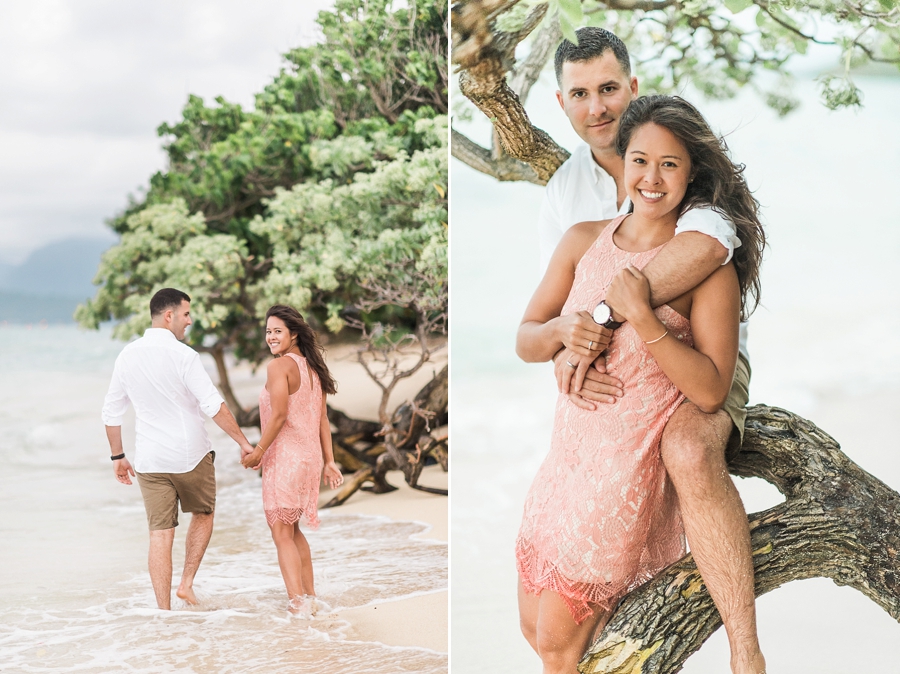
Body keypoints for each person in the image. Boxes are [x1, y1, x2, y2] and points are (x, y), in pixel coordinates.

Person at [536, 28, 765, 674]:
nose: (597, 107)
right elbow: (554, 310)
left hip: (697, 353)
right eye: (580, 94)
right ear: (562, 103)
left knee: (687, 450)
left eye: (609, 89)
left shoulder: (684, 186)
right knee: (556, 627)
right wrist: (563, 349)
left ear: (632, 89)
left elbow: (704, 253)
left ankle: (745, 650)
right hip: (613, 381)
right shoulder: (567, 193)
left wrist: (609, 318)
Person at [102, 288, 255, 610]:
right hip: (190, 455)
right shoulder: (184, 356)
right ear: (169, 315)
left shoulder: (127, 355)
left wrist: (118, 457)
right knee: (204, 513)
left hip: (149, 460)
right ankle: (185, 585)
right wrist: (243, 443)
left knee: (159, 533)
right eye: (186, 313)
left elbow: (111, 412)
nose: (190, 320)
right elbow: (212, 405)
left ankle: (163, 611)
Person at [240, 304, 343, 616]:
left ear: (293, 334)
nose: (271, 337)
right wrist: (330, 460)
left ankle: (297, 604)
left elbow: (281, 414)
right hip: (309, 459)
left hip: (284, 458)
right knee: (293, 530)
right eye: (268, 331)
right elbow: (322, 417)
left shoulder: (279, 367)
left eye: (277, 331)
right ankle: (310, 597)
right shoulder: (313, 367)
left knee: (282, 534)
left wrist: (258, 451)